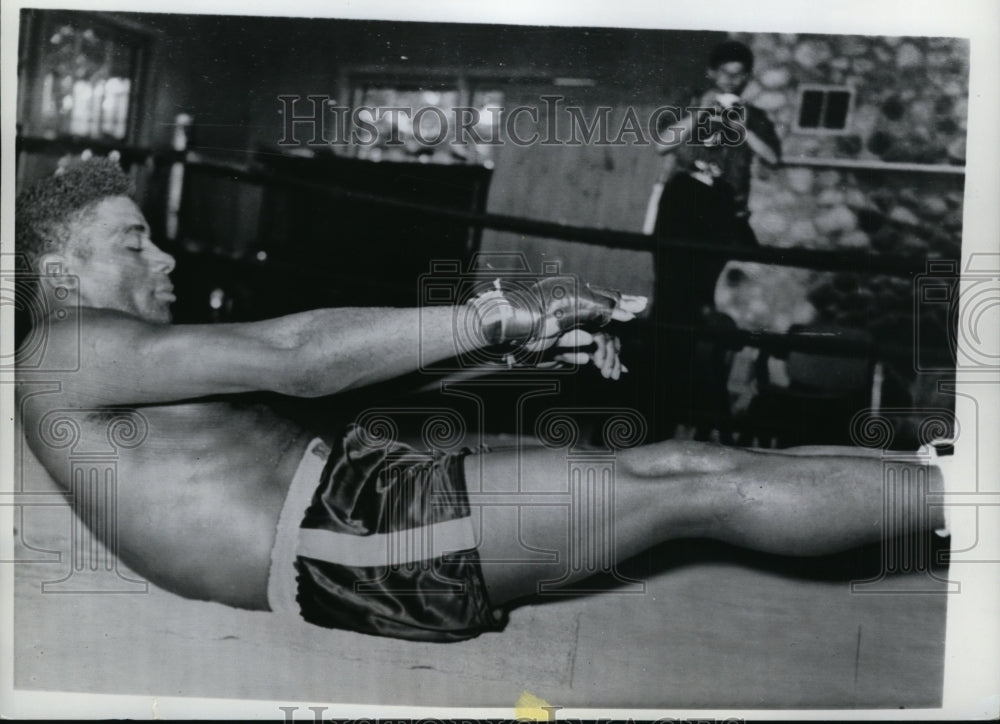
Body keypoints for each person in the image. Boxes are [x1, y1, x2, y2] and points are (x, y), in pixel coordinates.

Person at [15, 159, 945, 643]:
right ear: (62, 267)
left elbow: (312, 405)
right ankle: (965, 500)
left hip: (350, 498)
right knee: (687, 480)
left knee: (679, 469)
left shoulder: (119, 358)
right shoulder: (63, 348)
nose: (163, 256)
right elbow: (295, 357)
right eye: (133, 242)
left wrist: (531, 345)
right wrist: (499, 315)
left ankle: (947, 481)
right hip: (337, 543)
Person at [650, 40, 782, 439]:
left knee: (702, 302)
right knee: (669, 297)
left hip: (721, 205)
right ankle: (657, 404)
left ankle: (699, 408)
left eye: (739, 74)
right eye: (724, 73)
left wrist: (739, 125)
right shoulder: (692, 102)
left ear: (747, 78)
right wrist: (703, 110)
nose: (731, 80)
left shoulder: (753, 115)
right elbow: (661, 143)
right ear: (712, 73)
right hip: (682, 199)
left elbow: (773, 158)